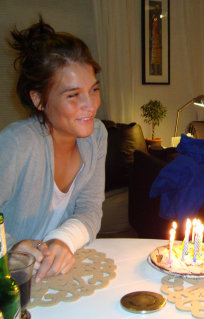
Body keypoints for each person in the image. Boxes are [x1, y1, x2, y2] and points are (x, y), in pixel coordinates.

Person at [0, 17, 107, 282]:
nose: (90, 105)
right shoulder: (17, 143)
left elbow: (91, 208)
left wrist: (63, 240)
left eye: (93, 90)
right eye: (73, 95)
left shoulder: (97, 137)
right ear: (39, 99)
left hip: (55, 279)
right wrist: (11, 249)